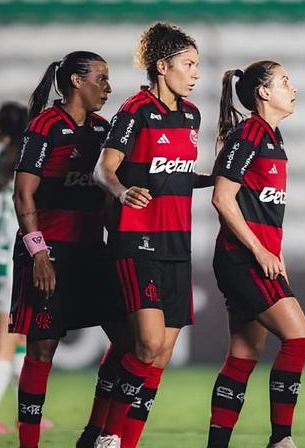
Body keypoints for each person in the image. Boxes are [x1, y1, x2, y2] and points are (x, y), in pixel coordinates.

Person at [88, 22, 211, 448]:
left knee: (158, 355)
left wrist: (218, 178)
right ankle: (108, 436)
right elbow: (103, 168)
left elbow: (175, 175)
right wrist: (122, 192)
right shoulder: (134, 110)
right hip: (137, 240)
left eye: (197, 65)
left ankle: (113, 437)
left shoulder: (192, 114)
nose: (195, 73)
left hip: (178, 242)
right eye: (188, 64)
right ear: (163, 65)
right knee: (148, 343)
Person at [10, 51, 112, 448]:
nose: (108, 87)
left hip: (91, 252)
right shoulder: (45, 126)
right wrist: (38, 253)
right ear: (75, 81)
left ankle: (94, 433)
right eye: (101, 78)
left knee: (127, 339)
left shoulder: (104, 130)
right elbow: (23, 194)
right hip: (49, 254)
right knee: (43, 348)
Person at [207, 61, 305, 448]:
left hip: (255, 256)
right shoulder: (248, 134)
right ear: (264, 92)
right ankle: (281, 440)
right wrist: (260, 250)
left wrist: (270, 250)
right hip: (242, 258)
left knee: (244, 352)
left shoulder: (271, 136)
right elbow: (222, 197)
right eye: (285, 80)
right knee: (299, 338)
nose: (292, 87)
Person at [0, 102, 52, 434]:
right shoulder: (28, 163)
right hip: (10, 263)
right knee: (8, 340)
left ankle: (27, 412)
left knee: (13, 338)